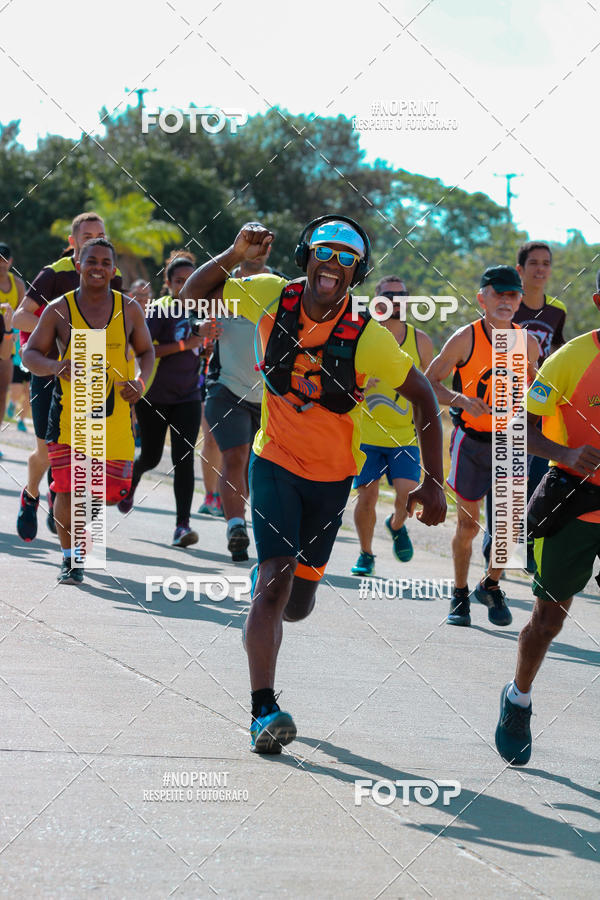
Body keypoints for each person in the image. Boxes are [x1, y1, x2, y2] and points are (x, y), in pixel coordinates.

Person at [182, 217, 446, 754]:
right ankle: (263, 710)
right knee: (275, 585)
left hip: (331, 481)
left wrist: (433, 483)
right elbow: (192, 293)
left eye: (347, 259)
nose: (334, 265)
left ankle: (270, 585)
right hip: (274, 460)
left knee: (297, 604)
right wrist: (235, 254)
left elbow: (425, 398)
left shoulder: (368, 338)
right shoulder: (269, 294)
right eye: (325, 252)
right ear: (306, 256)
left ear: (357, 273)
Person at [495, 272, 600, 765]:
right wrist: (566, 452)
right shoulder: (572, 358)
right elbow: (522, 429)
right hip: (573, 500)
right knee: (548, 620)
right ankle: (518, 697)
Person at [22, 238, 154, 584]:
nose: (98, 267)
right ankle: (71, 559)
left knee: (108, 492)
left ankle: (76, 513)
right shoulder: (59, 309)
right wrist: (55, 366)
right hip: (69, 415)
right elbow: (30, 353)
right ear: (78, 265)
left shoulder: (129, 310)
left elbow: (147, 353)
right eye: (91, 261)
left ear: (113, 270)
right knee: (69, 489)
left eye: (105, 263)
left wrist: (141, 383)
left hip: (114, 418)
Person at [427, 265, 539, 628]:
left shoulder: (528, 342)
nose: (506, 301)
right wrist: (459, 399)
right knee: (469, 525)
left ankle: (490, 585)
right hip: (471, 441)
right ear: (482, 298)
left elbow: (539, 392)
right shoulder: (465, 338)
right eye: (498, 293)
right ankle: (459, 594)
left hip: (511, 441)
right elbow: (429, 384)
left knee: (508, 533)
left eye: (513, 294)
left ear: (521, 300)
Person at [12, 212, 122, 541]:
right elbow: (19, 318)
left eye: (100, 235)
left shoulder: (111, 276)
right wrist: (63, 329)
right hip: (49, 371)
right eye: (87, 236)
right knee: (47, 453)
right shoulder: (54, 274)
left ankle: (61, 502)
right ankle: (31, 495)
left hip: (92, 378)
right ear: (73, 243)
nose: (94, 241)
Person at [118, 251, 218, 547]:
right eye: (178, 281)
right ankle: (132, 481)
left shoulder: (202, 310)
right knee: (150, 456)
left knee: (183, 459)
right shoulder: (159, 310)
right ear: (168, 283)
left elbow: (201, 348)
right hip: (154, 396)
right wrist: (184, 345)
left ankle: (182, 526)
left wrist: (204, 350)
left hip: (188, 396)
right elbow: (145, 350)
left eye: (190, 280)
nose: (184, 286)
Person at [482, 242, 567, 571]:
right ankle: (494, 548)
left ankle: (523, 546)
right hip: (502, 401)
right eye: (533, 263)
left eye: (546, 263)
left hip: (537, 406)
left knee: (531, 481)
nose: (540, 269)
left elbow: (557, 350)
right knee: (502, 479)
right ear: (520, 270)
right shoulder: (507, 304)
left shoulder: (556, 310)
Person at [351, 275, 434, 576]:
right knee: (367, 496)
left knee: (407, 494)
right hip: (366, 433)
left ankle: (396, 525)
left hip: (404, 436)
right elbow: (338, 376)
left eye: (401, 294)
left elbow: (431, 387)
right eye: (388, 295)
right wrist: (359, 381)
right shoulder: (363, 336)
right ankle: (366, 553)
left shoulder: (420, 341)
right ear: (377, 300)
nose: (395, 299)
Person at [204, 243, 279, 561]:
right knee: (234, 457)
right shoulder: (221, 288)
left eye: (265, 246)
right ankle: (236, 526)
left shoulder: (281, 289)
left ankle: (265, 531)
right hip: (226, 388)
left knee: (259, 467)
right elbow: (189, 313)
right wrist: (199, 329)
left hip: (270, 397)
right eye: (252, 244)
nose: (258, 251)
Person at [0, 243, 25, 454]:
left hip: (8, 342)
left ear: (10, 261)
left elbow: (24, 315)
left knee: (3, 390)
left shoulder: (17, 284)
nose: (1, 264)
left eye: (4, 260)